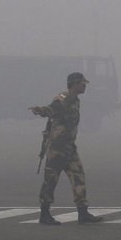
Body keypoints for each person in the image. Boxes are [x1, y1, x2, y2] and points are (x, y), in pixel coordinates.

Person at [30, 72, 104, 225]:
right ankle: (44, 214)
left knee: (79, 177)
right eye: (82, 83)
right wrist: (41, 110)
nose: (84, 86)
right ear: (74, 84)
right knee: (50, 180)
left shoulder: (76, 100)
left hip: (69, 147)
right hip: (57, 148)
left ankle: (83, 213)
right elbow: (52, 109)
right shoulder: (64, 98)